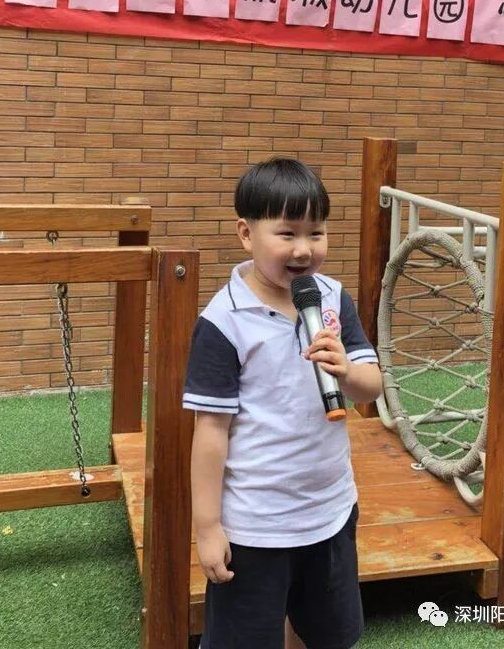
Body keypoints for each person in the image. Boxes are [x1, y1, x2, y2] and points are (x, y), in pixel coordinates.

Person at [183, 158, 383, 649]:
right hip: (256, 526)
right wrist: (207, 528)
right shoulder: (224, 321)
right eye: (287, 233)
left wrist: (346, 371)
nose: (304, 249)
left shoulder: (331, 298)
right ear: (246, 234)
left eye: (316, 233)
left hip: (329, 510)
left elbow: (371, 387)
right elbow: (210, 432)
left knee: (326, 633)